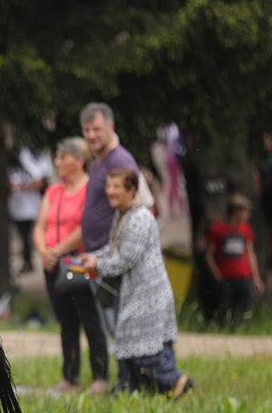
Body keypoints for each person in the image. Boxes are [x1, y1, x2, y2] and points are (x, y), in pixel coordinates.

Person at [78, 169, 192, 398]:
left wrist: (97, 264)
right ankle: (128, 391)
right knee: (129, 344)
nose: (110, 192)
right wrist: (90, 258)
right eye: (108, 186)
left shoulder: (140, 217)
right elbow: (115, 249)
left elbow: (125, 259)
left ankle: (177, 382)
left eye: (116, 187)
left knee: (147, 349)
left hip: (148, 295)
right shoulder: (123, 214)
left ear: (132, 190)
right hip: (133, 293)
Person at [33, 138, 109, 394]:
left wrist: (59, 249)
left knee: (90, 319)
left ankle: (100, 377)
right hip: (52, 264)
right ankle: (70, 377)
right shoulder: (53, 191)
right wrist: (44, 252)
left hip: (78, 262)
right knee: (66, 322)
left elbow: (85, 228)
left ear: (79, 160)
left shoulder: (91, 190)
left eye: (62, 157)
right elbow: (40, 227)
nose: (57, 162)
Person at [78, 103, 154, 336]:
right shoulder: (100, 159)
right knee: (114, 330)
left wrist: (120, 251)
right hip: (99, 256)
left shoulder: (119, 160)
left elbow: (139, 206)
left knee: (122, 330)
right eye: (87, 130)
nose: (91, 135)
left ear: (111, 127)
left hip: (113, 259)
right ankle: (127, 372)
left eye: (97, 129)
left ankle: (134, 373)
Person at [205, 194, 265, 325]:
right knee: (225, 313)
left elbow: (250, 254)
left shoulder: (245, 229)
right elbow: (209, 254)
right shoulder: (217, 229)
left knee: (244, 312)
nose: (247, 215)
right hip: (225, 278)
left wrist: (255, 277)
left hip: (243, 277)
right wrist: (217, 275)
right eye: (245, 211)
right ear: (235, 211)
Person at [9, 145, 51, 273]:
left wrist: (21, 187)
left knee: (27, 237)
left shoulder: (33, 166)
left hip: (30, 209)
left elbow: (40, 182)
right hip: (17, 209)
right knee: (23, 237)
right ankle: (27, 261)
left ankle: (28, 261)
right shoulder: (12, 170)